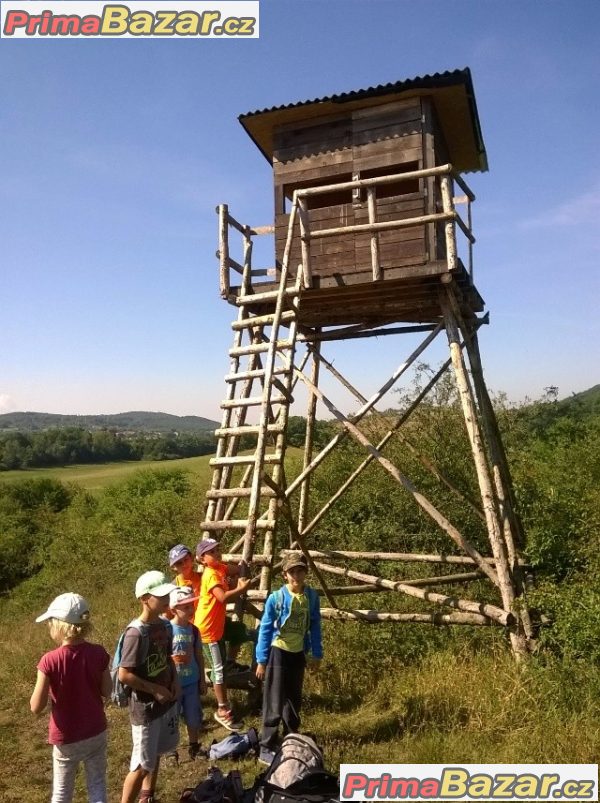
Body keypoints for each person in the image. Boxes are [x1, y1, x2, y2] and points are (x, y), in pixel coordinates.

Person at [30, 592, 111, 803]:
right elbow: (107, 691)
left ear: (60, 626)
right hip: (95, 731)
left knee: (62, 792)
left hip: (66, 737)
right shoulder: (99, 653)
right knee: (97, 785)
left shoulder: (49, 661)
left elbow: (35, 707)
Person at [255, 553, 323, 765]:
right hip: (278, 651)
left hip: (297, 652)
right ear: (285, 575)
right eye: (292, 571)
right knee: (274, 699)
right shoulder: (277, 598)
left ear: (305, 573)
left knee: (294, 698)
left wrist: (316, 653)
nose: (297, 575)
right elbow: (265, 628)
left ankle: (291, 738)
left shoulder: (311, 597)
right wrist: (261, 659)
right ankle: (266, 745)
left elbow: (315, 625)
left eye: (300, 570)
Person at [119, 571, 179, 803]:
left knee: (155, 755)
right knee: (142, 764)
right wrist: (154, 689)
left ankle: (147, 796)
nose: (167, 599)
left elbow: (167, 657)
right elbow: (125, 674)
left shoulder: (165, 626)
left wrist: (174, 682)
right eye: (160, 595)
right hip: (145, 708)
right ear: (144, 598)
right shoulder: (136, 633)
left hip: (164, 703)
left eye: (168, 594)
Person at [196, 537, 250, 730]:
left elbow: (234, 569)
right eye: (211, 552)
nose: (216, 553)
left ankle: (223, 704)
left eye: (218, 550)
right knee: (218, 670)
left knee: (221, 666)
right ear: (202, 559)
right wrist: (240, 588)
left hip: (215, 629)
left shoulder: (219, 568)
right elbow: (221, 598)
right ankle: (222, 709)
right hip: (208, 630)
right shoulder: (210, 573)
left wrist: (242, 567)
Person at [168, 585, 206, 760]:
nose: (190, 610)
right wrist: (171, 660)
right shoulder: (167, 630)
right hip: (173, 684)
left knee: (193, 715)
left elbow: (198, 654)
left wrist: (202, 680)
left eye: (191, 606)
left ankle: (194, 745)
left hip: (191, 681)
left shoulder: (194, 630)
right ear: (174, 608)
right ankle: (170, 750)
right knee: (172, 718)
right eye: (185, 607)